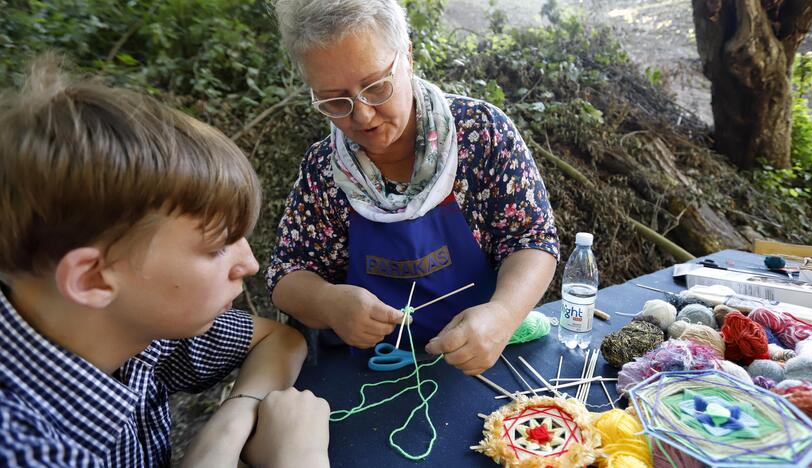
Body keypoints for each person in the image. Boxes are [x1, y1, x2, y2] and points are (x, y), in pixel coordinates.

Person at [0, 55, 330, 467]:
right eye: (215, 248)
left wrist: (228, 423)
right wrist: (300, 457)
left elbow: (279, 338)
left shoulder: (139, 328)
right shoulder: (22, 449)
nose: (249, 265)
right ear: (93, 279)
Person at [267, 0, 559, 376]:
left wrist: (502, 315)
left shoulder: (481, 134)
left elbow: (531, 238)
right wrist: (327, 302)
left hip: (480, 361)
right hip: (373, 373)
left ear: (407, 55)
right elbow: (286, 272)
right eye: (334, 100)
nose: (362, 115)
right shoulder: (325, 171)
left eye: (375, 86)